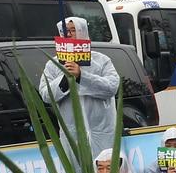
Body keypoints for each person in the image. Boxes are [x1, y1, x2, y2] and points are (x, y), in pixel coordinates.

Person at [39, 17, 121, 153]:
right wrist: (64, 79)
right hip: (73, 137)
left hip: (102, 134)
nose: (69, 34)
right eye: (65, 31)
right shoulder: (52, 65)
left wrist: (82, 77)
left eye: (73, 30)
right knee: (78, 172)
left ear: (82, 32)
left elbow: (112, 86)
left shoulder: (102, 61)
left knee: (103, 170)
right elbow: (46, 95)